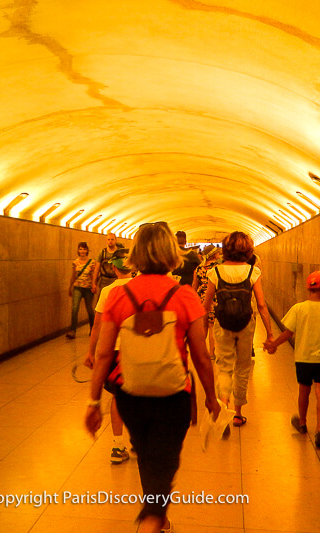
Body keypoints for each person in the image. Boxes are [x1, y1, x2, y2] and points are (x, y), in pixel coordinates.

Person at [85, 222, 220, 533]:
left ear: (137, 254)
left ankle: (156, 515)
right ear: (171, 253)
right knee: (165, 463)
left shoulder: (119, 296)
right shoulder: (184, 296)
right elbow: (200, 356)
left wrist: (94, 401)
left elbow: (105, 355)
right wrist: (211, 398)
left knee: (147, 456)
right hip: (173, 397)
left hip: (131, 395)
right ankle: (152, 519)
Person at [264, 271, 320, 449]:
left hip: (303, 359)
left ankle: (302, 423)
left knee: (304, 391)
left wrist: (274, 344)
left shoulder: (298, 308)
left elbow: (287, 332)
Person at [203, 232, 274, 428]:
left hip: (222, 325)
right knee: (242, 368)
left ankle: (223, 411)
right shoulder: (253, 272)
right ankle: (238, 414)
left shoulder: (215, 272)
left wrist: (201, 334)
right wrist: (269, 333)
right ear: (248, 250)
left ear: (225, 250)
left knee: (224, 368)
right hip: (246, 324)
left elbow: (206, 304)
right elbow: (261, 304)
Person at [84, 248, 134, 464]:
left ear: (113, 268)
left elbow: (97, 326)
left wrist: (90, 351)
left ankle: (117, 444)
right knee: (140, 396)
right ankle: (139, 441)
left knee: (118, 397)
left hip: (115, 350)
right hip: (138, 349)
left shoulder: (107, 292)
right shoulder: (141, 287)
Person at [193, 244, 222, 357]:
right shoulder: (217, 268)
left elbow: (194, 286)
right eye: (218, 252)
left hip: (201, 299)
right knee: (212, 326)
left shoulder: (199, 269)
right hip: (214, 298)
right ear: (214, 254)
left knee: (203, 326)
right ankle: (212, 353)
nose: (219, 254)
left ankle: (201, 352)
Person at [66, 242, 96, 339]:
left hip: (88, 288)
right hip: (77, 287)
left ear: (87, 250)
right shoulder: (75, 262)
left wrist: (94, 285)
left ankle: (93, 328)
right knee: (75, 308)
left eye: (84, 249)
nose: (82, 251)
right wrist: (70, 287)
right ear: (78, 250)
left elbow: (94, 276)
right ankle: (73, 330)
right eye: (80, 249)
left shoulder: (92, 262)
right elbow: (73, 275)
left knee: (89, 309)